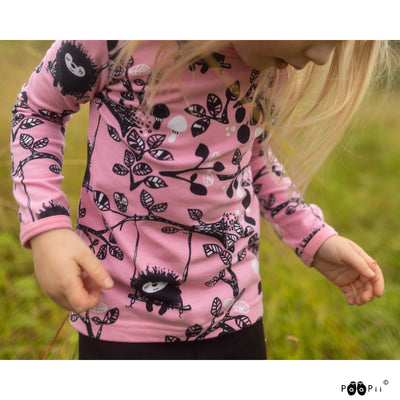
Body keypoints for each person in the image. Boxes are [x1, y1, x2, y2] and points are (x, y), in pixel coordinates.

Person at [10, 40, 385, 360]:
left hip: (235, 314)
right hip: (122, 319)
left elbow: (251, 158)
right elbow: (37, 109)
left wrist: (315, 238)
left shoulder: (269, 63)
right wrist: (48, 228)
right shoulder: (119, 34)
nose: (321, 56)